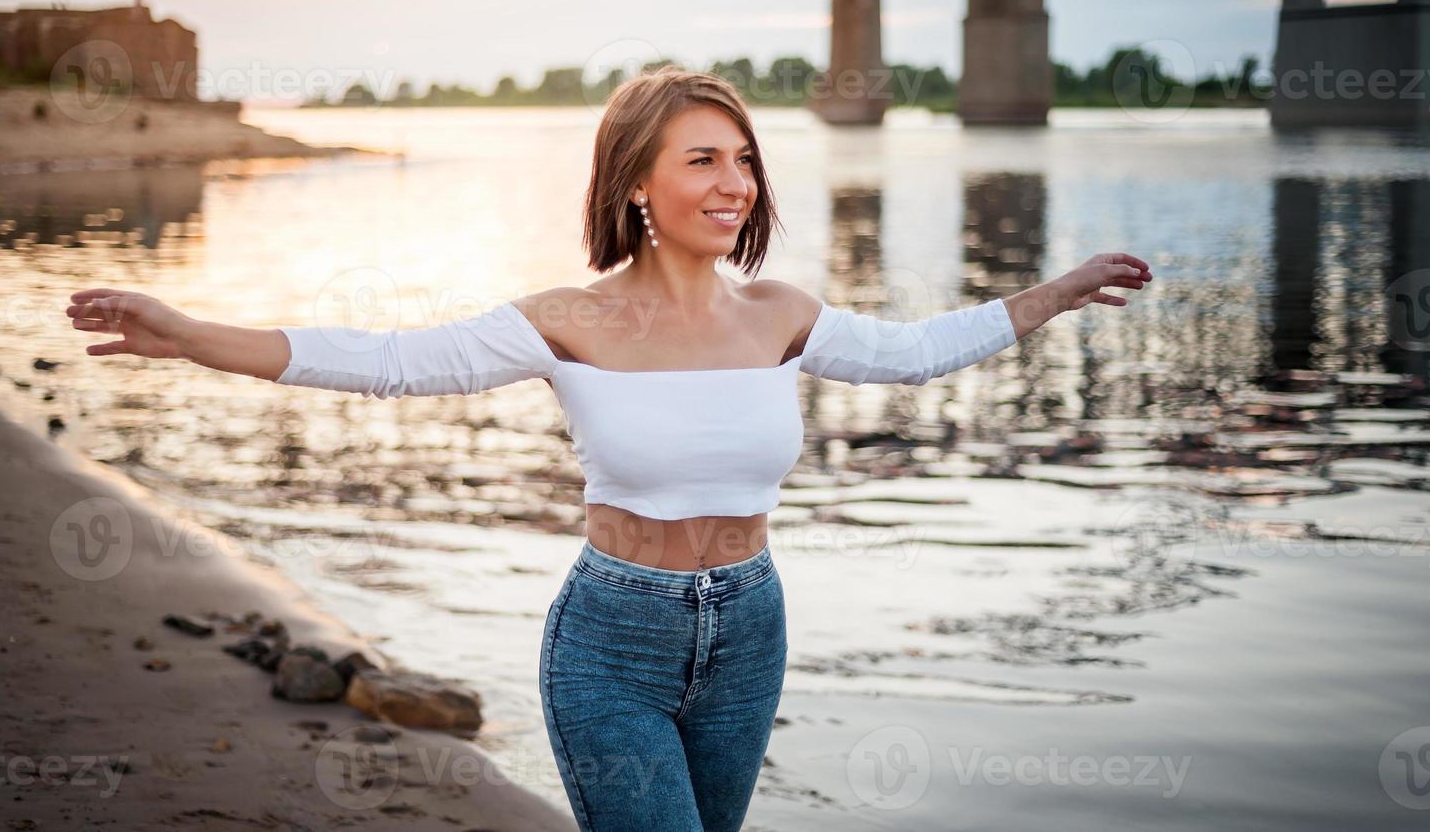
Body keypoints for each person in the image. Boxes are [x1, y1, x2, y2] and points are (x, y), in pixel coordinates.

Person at [63, 66, 1151, 831]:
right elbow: (390, 358)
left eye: (745, 161)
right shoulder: (568, 317)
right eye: (703, 160)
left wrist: (1052, 295)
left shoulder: (778, 309)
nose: (736, 184)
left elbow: (912, 354)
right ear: (637, 181)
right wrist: (191, 334)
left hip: (751, 627)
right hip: (613, 640)